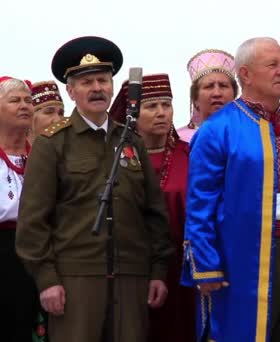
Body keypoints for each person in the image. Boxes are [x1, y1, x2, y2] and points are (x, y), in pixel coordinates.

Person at [15, 36, 173, 342]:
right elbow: (33, 221)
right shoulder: (53, 143)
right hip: (75, 281)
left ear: (113, 87)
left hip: (131, 278)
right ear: (71, 91)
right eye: (86, 82)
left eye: (103, 80)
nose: (97, 88)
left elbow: (154, 214)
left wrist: (157, 271)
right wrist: (46, 279)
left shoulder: (131, 140)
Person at [180, 37, 280, 341]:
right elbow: (200, 202)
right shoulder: (218, 129)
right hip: (239, 257)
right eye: (272, 65)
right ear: (245, 74)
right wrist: (206, 263)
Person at [109, 73, 196, 342]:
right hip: (132, 266)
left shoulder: (191, 154)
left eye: (166, 105)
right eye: (151, 106)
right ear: (132, 114)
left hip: (183, 269)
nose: (161, 113)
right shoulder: (116, 160)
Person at [0, 76, 39, 342]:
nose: (24, 105)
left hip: (35, 250)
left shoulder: (42, 154)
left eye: (28, 100)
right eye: (15, 100)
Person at [176, 49, 238, 143]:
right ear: (195, 99)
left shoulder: (250, 135)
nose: (217, 93)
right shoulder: (180, 141)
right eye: (209, 86)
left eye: (223, 85)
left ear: (234, 95)